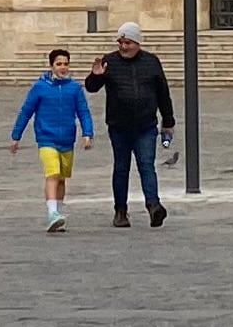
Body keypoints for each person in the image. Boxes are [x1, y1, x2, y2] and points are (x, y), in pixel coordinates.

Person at [86, 21, 175, 227]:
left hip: (146, 126)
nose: (124, 47)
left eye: (128, 42)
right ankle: (120, 211)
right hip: (119, 126)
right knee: (121, 168)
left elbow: (163, 93)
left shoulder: (152, 62)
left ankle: (154, 206)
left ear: (138, 43)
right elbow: (91, 88)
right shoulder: (109, 61)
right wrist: (95, 76)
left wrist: (168, 121)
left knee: (146, 166)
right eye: (121, 42)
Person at [9, 46, 95, 230]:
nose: (63, 67)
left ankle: (58, 211)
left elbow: (83, 112)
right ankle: (51, 213)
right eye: (59, 64)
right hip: (46, 138)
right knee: (52, 174)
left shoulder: (74, 88)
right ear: (51, 66)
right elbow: (26, 111)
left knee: (62, 178)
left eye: (66, 64)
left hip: (67, 139)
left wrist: (87, 133)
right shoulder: (39, 87)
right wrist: (16, 136)